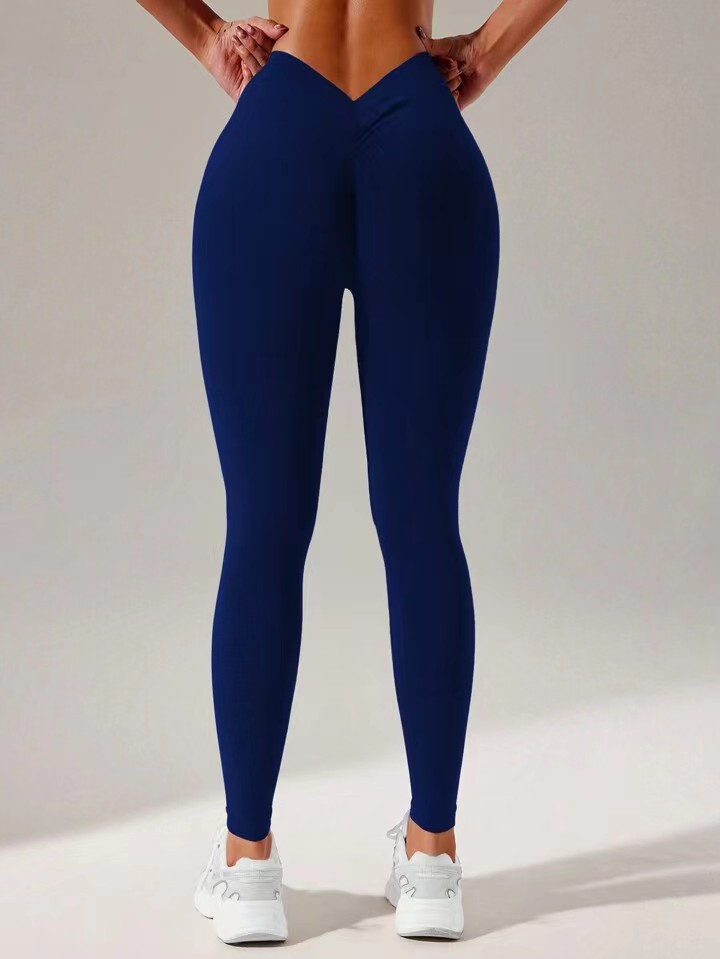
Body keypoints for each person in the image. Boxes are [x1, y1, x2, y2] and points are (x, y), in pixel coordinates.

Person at [137, 0, 570, 943]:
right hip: (418, 134)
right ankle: (432, 857)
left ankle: (248, 864)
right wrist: (484, 50)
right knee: (423, 522)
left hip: (278, 134)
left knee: (262, 525)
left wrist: (207, 36)